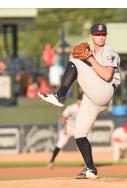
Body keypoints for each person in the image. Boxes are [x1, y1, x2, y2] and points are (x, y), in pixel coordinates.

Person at [38, 23, 120, 179]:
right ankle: (90, 169)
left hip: (106, 90)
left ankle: (59, 95)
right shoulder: (92, 53)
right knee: (79, 134)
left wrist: (89, 58)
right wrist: (86, 58)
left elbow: (107, 75)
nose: (100, 37)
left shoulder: (109, 52)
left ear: (106, 36)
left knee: (75, 62)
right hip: (92, 97)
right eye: (97, 34)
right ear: (91, 36)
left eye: (103, 34)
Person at [48, 95, 82, 169]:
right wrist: (64, 128)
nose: (81, 102)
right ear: (77, 101)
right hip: (68, 128)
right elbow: (63, 118)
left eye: (82, 101)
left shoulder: (84, 108)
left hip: (78, 129)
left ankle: (88, 164)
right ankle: (51, 161)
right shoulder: (71, 108)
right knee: (60, 144)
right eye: (80, 100)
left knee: (83, 145)